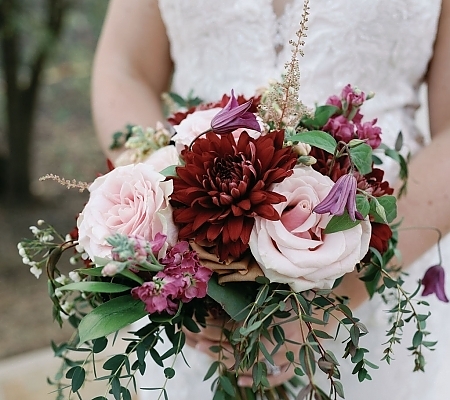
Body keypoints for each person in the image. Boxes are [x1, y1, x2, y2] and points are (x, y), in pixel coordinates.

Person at [91, 1, 450, 399]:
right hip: (196, 280)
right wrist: (159, 210)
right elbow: (126, 69)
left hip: (383, 269)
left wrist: (339, 293)